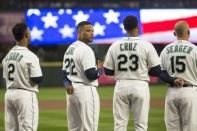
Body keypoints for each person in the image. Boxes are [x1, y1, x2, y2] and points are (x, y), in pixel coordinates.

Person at [103, 15, 183, 131]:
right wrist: (145, 70)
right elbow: (157, 70)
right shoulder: (146, 45)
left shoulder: (115, 45)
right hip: (140, 85)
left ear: (124, 28)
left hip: (121, 85)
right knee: (140, 125)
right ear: (137, 27)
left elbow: (108, 71)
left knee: (119, 125)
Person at [62, 21, 103, 131]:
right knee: (90, 128)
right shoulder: (86, 49)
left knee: (74, 128)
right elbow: (91, 75)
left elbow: (64, 73)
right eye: (88, 30)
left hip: (72, 93)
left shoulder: (69, 48)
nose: (92, 33)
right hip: (86, 91)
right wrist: (100, 70)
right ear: (80, 32)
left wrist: (67, 84)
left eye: (92, 31)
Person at [2, 23, 43, 131]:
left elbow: (5, 76)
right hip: (25, 95)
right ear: (26, 35)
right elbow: (37, 78)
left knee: (11, 129)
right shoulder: (30, 56)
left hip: (9, 94)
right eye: (28, 31)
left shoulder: (8, 55)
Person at [160, 21, 197, 131]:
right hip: (189, 91)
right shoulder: (194, 50)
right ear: (189, 32)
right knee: (190, 128)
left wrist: (172, 80)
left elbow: (160, 72)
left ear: (174, 33)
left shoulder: (165, 50)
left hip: (171, 92)